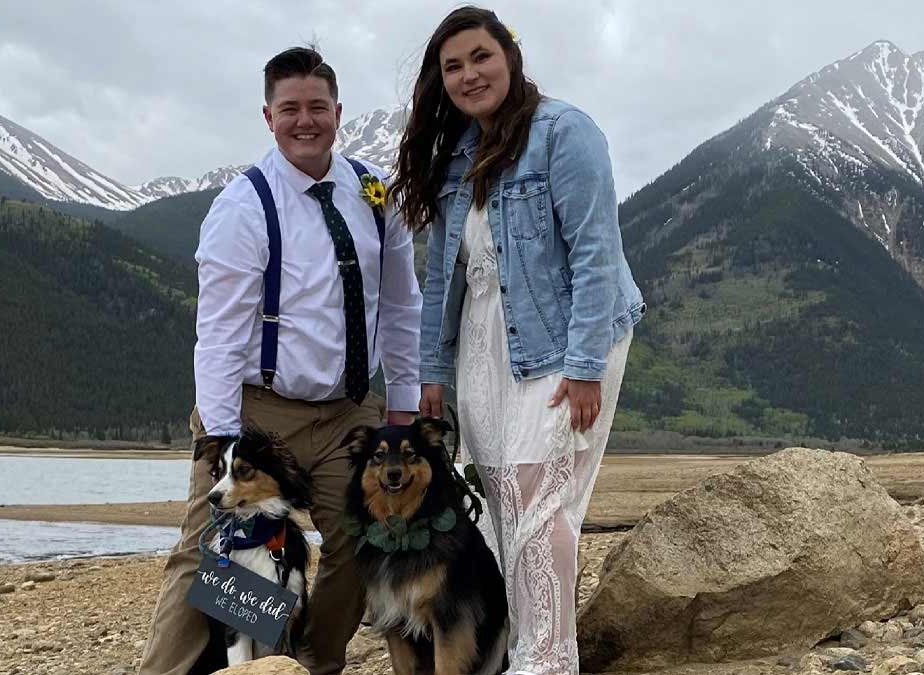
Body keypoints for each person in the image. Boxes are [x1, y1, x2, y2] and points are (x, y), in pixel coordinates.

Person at [138, 46, 421, 675]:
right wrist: (219, 434)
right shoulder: (243, 207)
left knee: (366, 536)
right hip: (261, 411)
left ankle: (305, 663)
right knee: (218, 548)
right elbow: (217, 333)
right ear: (268, 116)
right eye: (289, 108)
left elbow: (403, 307)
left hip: (350, 408)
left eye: (317, 107)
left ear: (337, 112)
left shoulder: (377, 195)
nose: (304, 120)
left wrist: (401, 405)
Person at [388, 7, 645, 674]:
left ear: (511, 55)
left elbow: (595, 252)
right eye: (453, 65)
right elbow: (445, 277)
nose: (469, 73)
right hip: (482, 348)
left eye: (481, 56)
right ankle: (520, 649)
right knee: (501, 505)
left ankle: (549, 661)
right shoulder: (456, 159)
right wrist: (432, 374)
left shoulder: (565, 132)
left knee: (540, 503)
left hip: (560, 345)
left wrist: (585, 365)